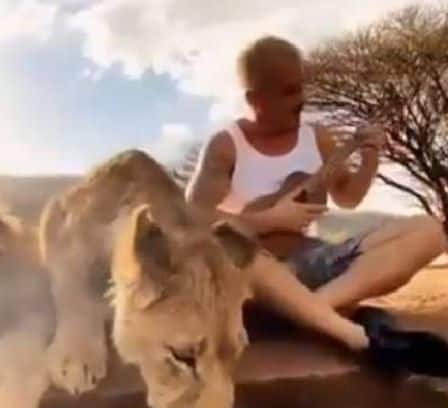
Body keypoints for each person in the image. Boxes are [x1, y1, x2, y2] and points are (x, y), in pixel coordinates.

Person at [186, 35, 447, 352]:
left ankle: (310, 310)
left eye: (301, 86)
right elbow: (191, 217)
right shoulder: (227, 144)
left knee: (429, 232)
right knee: (235, 256)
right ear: (255, 99)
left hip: (312, 262)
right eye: (288, 91)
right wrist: (267, 220)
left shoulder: (317, 137)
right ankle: (317, 314)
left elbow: (348, 198)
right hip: (259, 272)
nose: (301, 100)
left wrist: (370, 154)